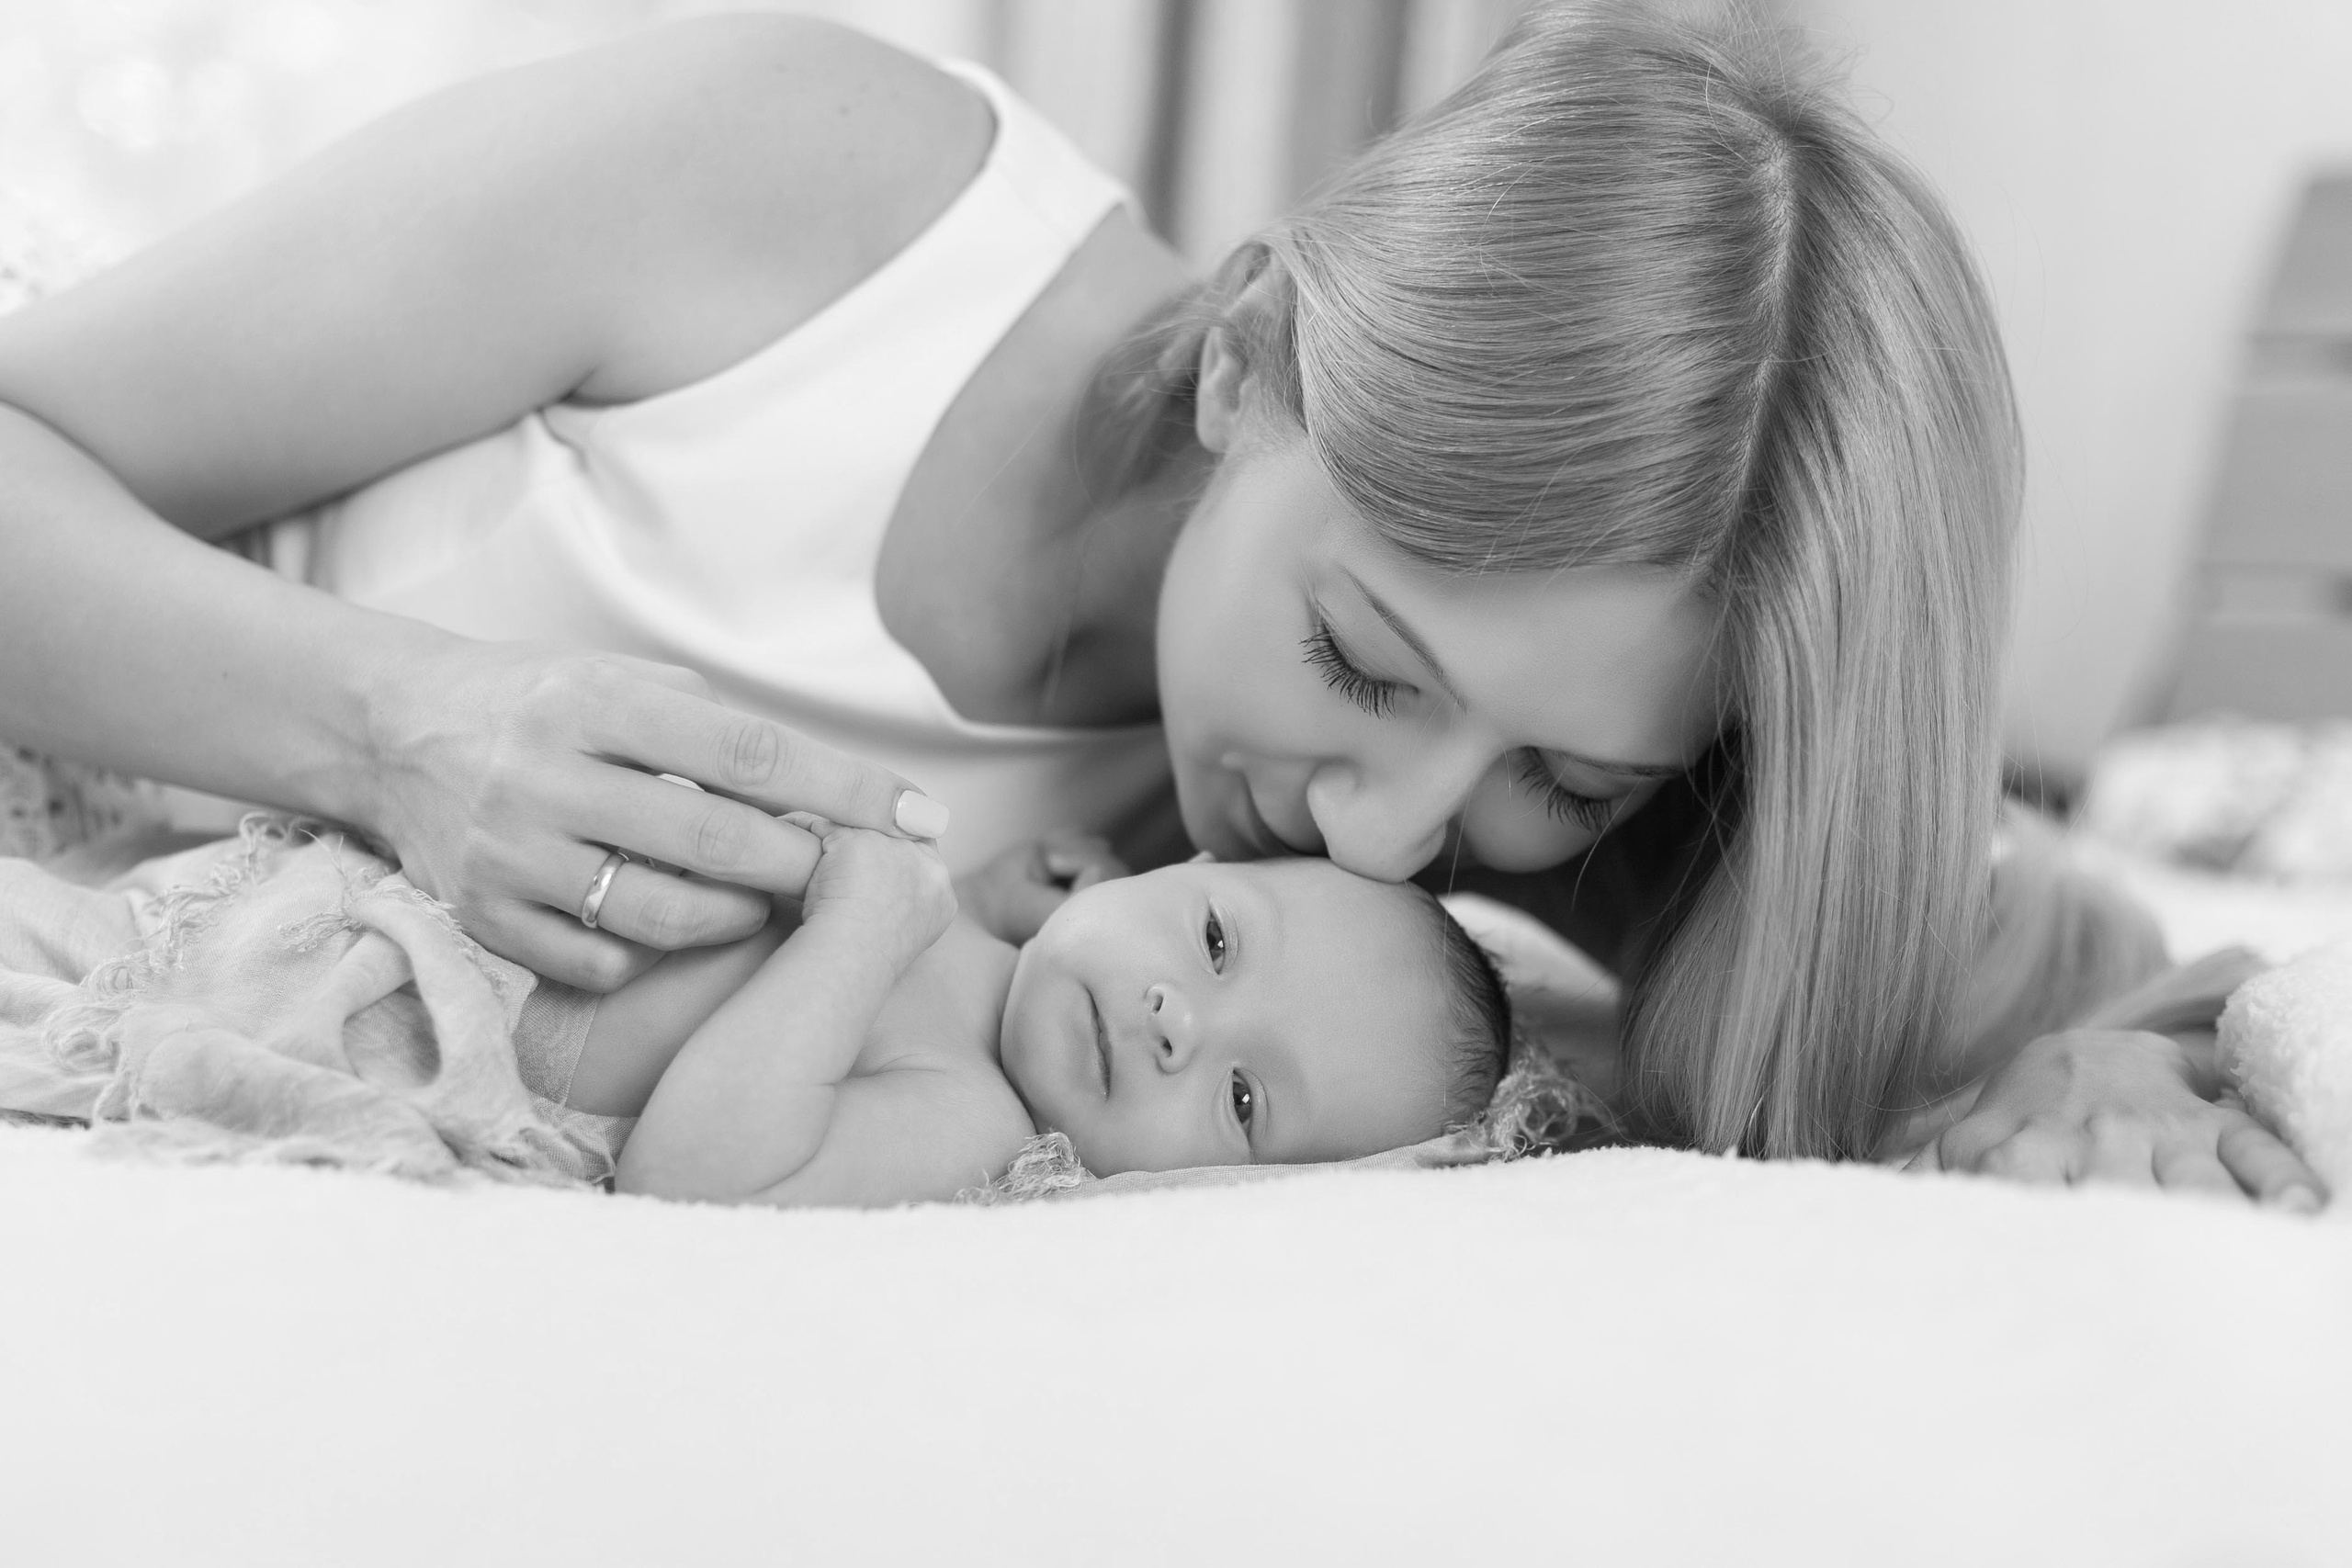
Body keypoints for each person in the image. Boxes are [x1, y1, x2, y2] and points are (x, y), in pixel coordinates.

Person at [0, 5, 2319, 1203]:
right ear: (1242, 359)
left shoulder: (1428, 900)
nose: (1390, 833)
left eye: (1562, 779)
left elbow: (2039, 964)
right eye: (1358, 658)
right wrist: (395, 721)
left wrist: (2084, 1078)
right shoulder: (806, 192)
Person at [0, 815, 1510, 1201]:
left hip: (366, 1018)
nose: (1183, 1021)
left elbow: (706, 1174)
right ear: (1167, 865)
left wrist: (864, 925)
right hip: (302, 903)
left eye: (1242, 1099)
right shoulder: (977, 914)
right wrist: (973, 889)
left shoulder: (971, 1117)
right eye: (1216, 941)